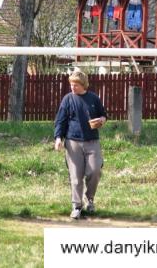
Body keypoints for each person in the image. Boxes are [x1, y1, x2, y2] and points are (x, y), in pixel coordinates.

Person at [54, 71, 106, 219]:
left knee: (95, 171)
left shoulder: (93, 98)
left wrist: (101, 120)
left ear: (83, 85)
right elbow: (60, 120)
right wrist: (58, 138)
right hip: (73, 142)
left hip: (92, 141)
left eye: (75, 84)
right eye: (71, 84)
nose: (72, 87)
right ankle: (76, 206)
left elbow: (103, 115)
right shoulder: (68, 99)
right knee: (76, 177)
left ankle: (89, 199)